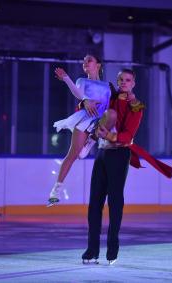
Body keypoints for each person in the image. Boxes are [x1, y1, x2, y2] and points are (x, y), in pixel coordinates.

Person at [81, 69, 172, 264]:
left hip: (119, 154)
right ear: (117, 81)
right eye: (121, 80)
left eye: (128, 80)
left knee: (115, 202)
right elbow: (86, 107)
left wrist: (110, 136)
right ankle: (92, 250)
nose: (124, 82)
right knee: (94, 203)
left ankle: (112, 251)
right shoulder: (109, 97)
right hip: (102, 153)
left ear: (133, 83)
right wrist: (84, 102)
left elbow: (128, 135)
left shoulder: (136, 106)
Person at [47, 54, 111, 206]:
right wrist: (68, 80)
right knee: (72, 155)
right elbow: (78, 93)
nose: (85, 63)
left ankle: (91, 141)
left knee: (110, 116)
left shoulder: (107, 86)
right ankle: (55, 191)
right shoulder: (82, 81)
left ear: (98, 65)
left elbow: (110, 105)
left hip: (101, 118)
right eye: (84, 61)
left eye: (89, 60)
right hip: (85, 118)